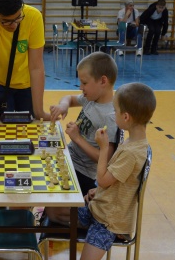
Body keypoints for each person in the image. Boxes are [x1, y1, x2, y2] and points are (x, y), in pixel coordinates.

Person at [47, 82, 157, 260]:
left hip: (107, 222)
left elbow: (104, 179)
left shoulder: (132, 152)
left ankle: (103, 231)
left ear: (126, 117)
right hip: (98, 207)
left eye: (115, 110)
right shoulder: (132, 143)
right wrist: (97, 190)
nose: (113, 114)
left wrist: (104, 148)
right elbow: (113, 181)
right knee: (53, 211)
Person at [49, 52, 119, 196]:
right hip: (70, 158)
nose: (80, 87)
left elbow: (105, 159)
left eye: (85, 83)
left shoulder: (110, 117)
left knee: (53, 207)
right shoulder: (91, 98)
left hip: (83, 174)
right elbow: (69, 98)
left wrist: (77, 138)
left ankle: (76, 216)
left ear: (103, 81)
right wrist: (63, 106)